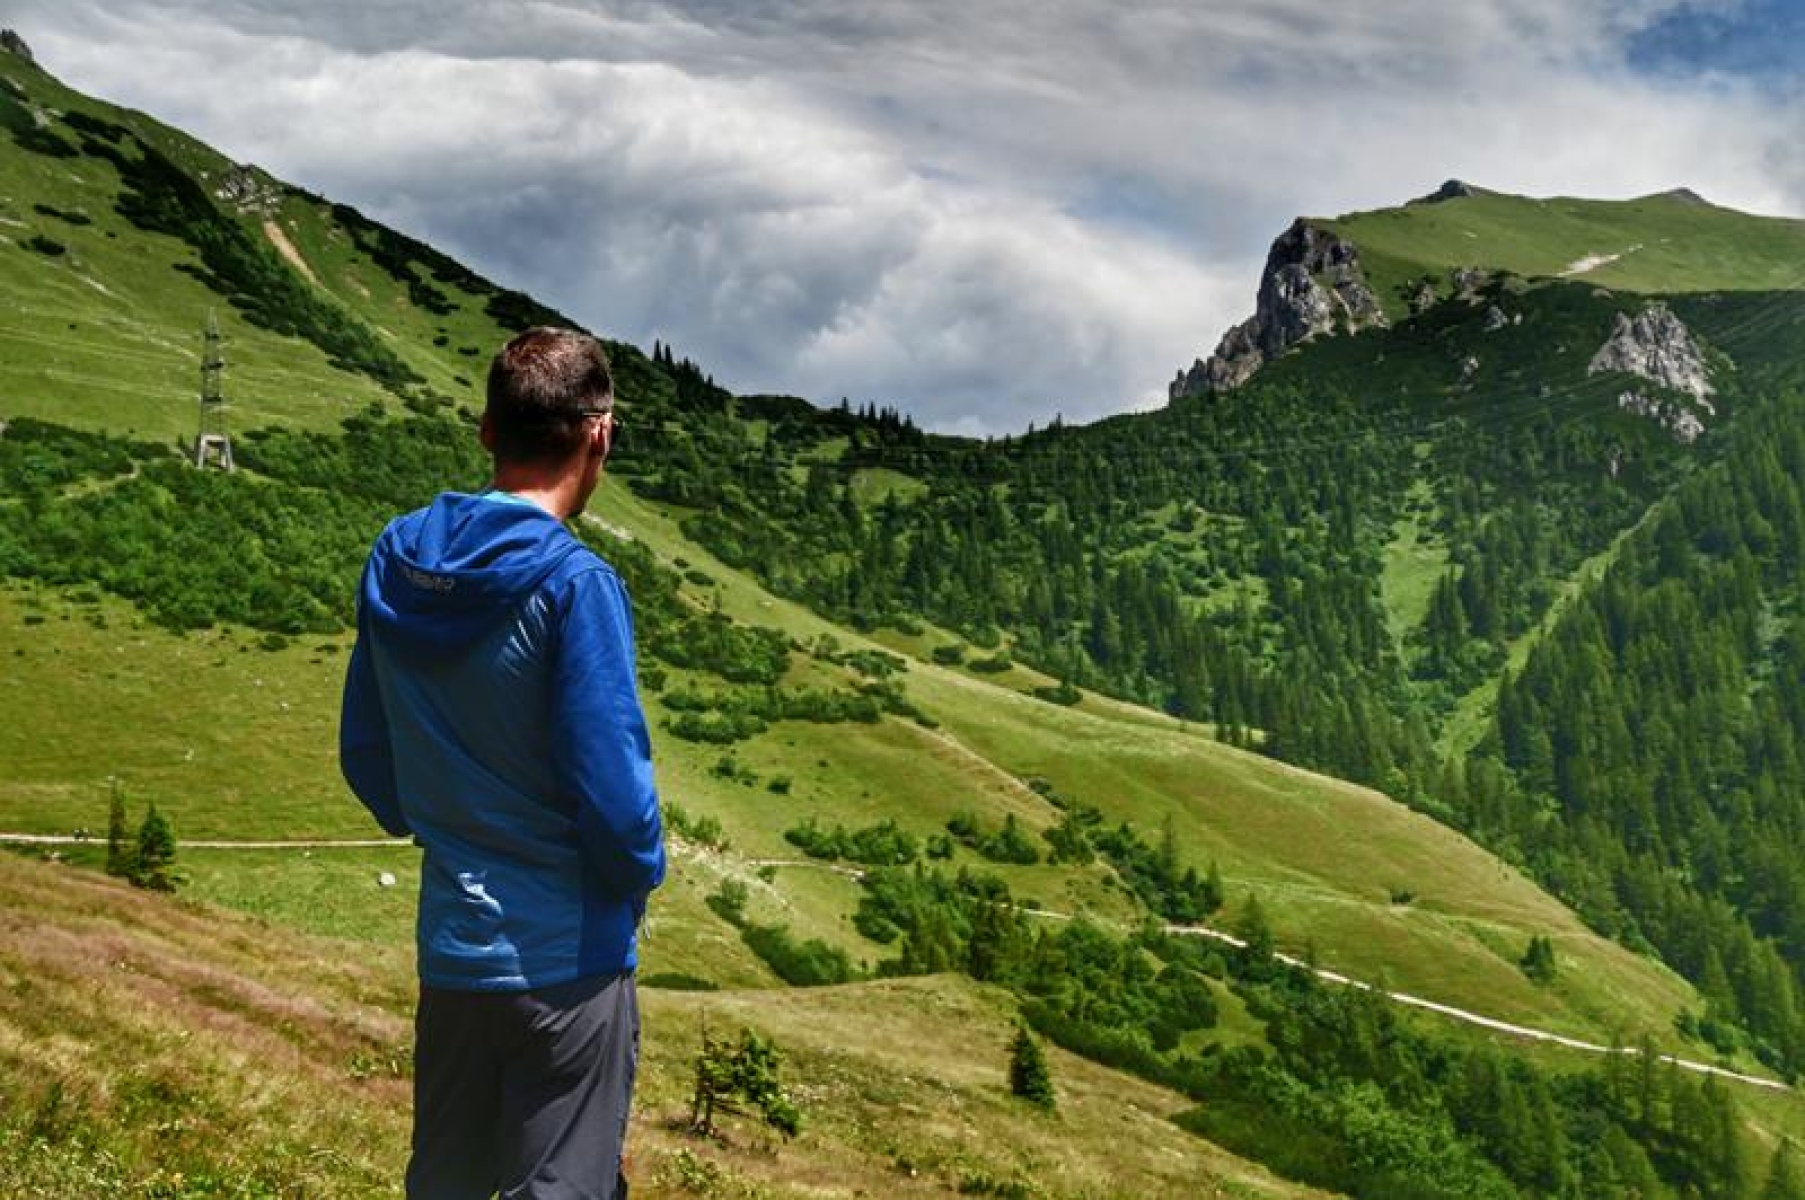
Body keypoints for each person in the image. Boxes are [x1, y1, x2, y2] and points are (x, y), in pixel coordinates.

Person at [339, 327, 666, 1200]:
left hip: (453, 950)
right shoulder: (575, 584)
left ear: (488, 429)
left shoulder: (397, 556)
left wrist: (446, 827)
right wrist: (635, 880)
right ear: (599, 435)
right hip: (567, 959)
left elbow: (366, 751)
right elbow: (615, 797)